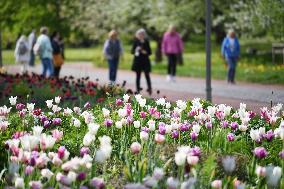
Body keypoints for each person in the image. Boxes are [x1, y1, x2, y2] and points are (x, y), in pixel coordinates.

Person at [131, 28, 152, 95]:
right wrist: (137, 50)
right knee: (138, 75)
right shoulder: (136, 42)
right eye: (140, 34)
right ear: (137, 35)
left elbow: (150, 52)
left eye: (142, 34)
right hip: (138, 61)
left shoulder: (146, 41)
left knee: (147, 74)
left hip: (145, 61)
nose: (141, 35)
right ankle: (137, 90)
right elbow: (132, 51)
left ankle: (149, 88)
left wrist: (145, 52)